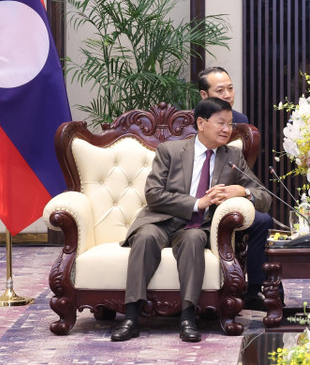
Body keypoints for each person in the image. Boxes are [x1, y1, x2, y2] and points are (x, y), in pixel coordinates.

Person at [110, 97, 273, 342]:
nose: (227, 129)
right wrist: (198, 203)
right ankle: (131, 317)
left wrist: (242, 191)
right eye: (221, 123)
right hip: (161, 220)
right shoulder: (170, 151)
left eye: (230, 124)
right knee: (144, 237)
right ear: (201, 123)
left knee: (194, 239)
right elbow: (153, 194)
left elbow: (264, 197)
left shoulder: (232, 156)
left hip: (199, 227)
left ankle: (187, 317)